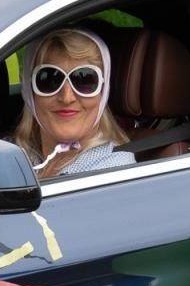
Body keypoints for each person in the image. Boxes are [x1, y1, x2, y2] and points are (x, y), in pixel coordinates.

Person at [14, 27, 135, 178]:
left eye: (84, 79)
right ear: (29, 89)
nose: (67, 97)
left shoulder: (115, 174)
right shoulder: (15, 156)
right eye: (50, 79)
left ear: (103, 91)